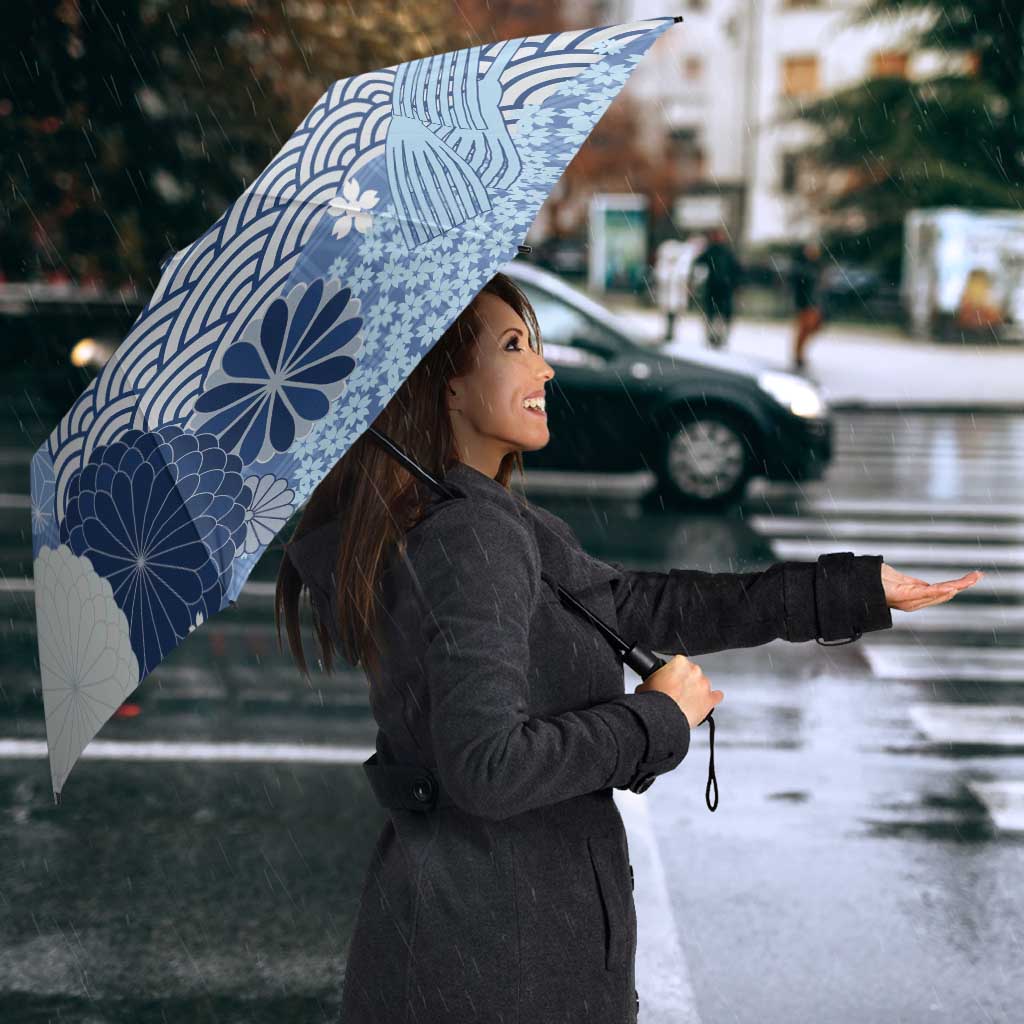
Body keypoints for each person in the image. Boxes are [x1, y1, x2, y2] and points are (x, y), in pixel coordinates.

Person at [276, 271, 976, 1024]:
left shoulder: (470, 518)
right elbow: (488, 767)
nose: (544, 368)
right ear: (446, 385)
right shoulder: (471, 536)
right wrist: (656, 719)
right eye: (513, 347)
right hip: (500, 963)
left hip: (475, 941)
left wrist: (848, 591)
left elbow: (638, 605)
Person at [692, 226, 742, 349]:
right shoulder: (714, 251)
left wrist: (735, 284)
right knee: (714, 314)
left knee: (719, 315)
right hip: (716, 288)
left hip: (722, 289)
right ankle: (713, 337)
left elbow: (736, 270)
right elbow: (698, 263)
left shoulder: (724, 252)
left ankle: (719, 337)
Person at [790, 239, 826, 370]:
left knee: (812, 327)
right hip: (805, 303)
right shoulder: (802, 267)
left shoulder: (816, 266)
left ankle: (799, 354)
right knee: (804, 329)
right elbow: (799, 286)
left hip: (814, 303)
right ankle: (798, 355)